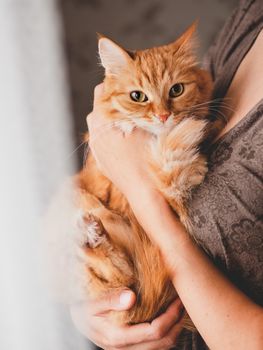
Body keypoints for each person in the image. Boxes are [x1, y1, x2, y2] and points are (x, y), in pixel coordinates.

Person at [70, 1, 263, 349]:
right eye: (139, 97)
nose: (161, 113)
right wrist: (89, 307)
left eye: (175, 92)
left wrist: (138, 186)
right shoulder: (252, 15)